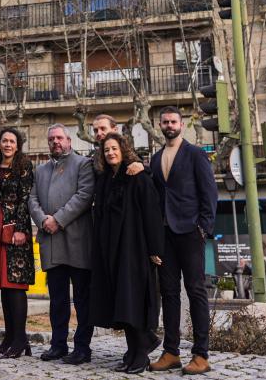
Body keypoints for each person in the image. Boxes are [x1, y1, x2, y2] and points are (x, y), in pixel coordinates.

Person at [149, 108, 217, 375]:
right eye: (165, 122)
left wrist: (203, 228)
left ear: (181, 124)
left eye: (173, 121)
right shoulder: (156, 158)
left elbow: (209, 192)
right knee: (168, 293)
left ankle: (201, 355)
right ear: (160, 125)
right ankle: (171, 352)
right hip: (165, 234)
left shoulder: (195, 154)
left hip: (190, 231)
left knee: (195, 290)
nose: (169, 125)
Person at [89, 132, 164, 374]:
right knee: (121, 302)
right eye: (106, 150)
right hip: (111, 250)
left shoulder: (137, 176)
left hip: (134, 248)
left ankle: (141, 354)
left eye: (114, 148)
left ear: (123, 149)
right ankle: (133, 351)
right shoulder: (104, 180)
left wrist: (155, 248)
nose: (110, 153)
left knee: (133, 300)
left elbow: (152, 212)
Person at [28, 123, 95, 365]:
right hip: (51, 241)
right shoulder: (40, 170)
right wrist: (42, 220)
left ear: (69, 140)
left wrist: (58, 219)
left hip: (77, 241)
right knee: (57, 299)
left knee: (82, 299)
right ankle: (58, 345)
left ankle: (82, 348)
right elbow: (32, 199)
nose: (55, 142)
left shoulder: (84, 164)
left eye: (59, 138)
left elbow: (84, 196)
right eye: (51, 139)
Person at [0, 127, 35, 358]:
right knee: (4, 285)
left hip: (15, 229)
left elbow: (26, 199)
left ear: (18, 145)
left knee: (15, 284)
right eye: (4, 141)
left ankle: (20, 339)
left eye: (12, 141)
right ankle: (9, 337)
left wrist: (22, 229)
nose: (7, 145)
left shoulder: (24, 166)